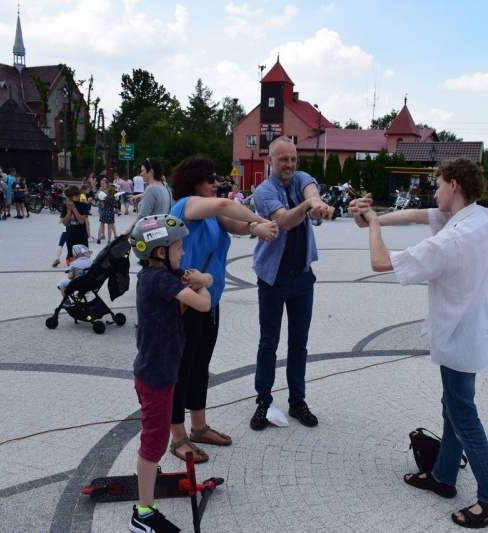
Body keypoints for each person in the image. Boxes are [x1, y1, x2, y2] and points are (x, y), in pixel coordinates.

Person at [350, 158, 488, 529]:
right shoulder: (482, 218)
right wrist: (376, 216)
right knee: (453, 408)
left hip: (457, 337)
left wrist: (372, 224)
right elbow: (418, 216)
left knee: (464, 417)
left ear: (453, 185)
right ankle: (443, 475)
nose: (434, 191)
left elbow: (379, 261)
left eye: (437, 185)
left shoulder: (448, 242)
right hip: (469, 333)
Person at [168, 156, 279, 463]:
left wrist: (257, 229)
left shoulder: (210, 213)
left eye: (216, 179)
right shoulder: (186, 206)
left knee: (200, 366)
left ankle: (199, 426)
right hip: (187, 303)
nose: (216, 184)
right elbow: (223, 207)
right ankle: (177, 437)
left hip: (209, 303)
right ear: (194, 182)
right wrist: (258, 221)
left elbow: (232, 223)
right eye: (210, 179)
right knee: (181, 370)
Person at [127, 214, 212, 533]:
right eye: (179, 246)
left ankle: (148, 491)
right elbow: (203, 304)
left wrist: (204, 280)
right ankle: (143, 514)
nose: (183, 252)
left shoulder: (161, 272)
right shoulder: (159, 279)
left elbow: (206, 281)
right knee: (153, 443)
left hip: (157, 372)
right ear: (160, 251)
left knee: (155, 437)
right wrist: (203, 285)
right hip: (156, 378)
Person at [249, 136, 334, 431]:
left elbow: (310, 188)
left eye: (293, 159)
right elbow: (284, 221)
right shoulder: (264, 191)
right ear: (270, 161)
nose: (289, 165)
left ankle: (297, 400)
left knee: (299, 343)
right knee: (268, 343)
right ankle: (263, 402)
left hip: (303, 277)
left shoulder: (300, 179)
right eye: (283, 159)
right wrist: (310, 205)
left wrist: (314, 199)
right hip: (273, 279)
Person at [125, 158, 172, 236]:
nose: (140, 174)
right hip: (161, 233)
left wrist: (128, 232)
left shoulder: (151, 189)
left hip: (150, 235)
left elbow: (143, 216)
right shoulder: (165, 188)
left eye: (142, 171)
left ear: (150, 172)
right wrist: (142, 196)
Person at [59, 185, 89, 261]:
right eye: (67, 197)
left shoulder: (83, 206)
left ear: (77, 196)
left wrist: (73, 208)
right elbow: (65, 223)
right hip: (70, 235)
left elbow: (81, 220)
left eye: (71, 197)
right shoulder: (65, 206)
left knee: (85, 258)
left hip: (81, 235)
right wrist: (69, 211)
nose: (69, 199)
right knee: (73, 260)